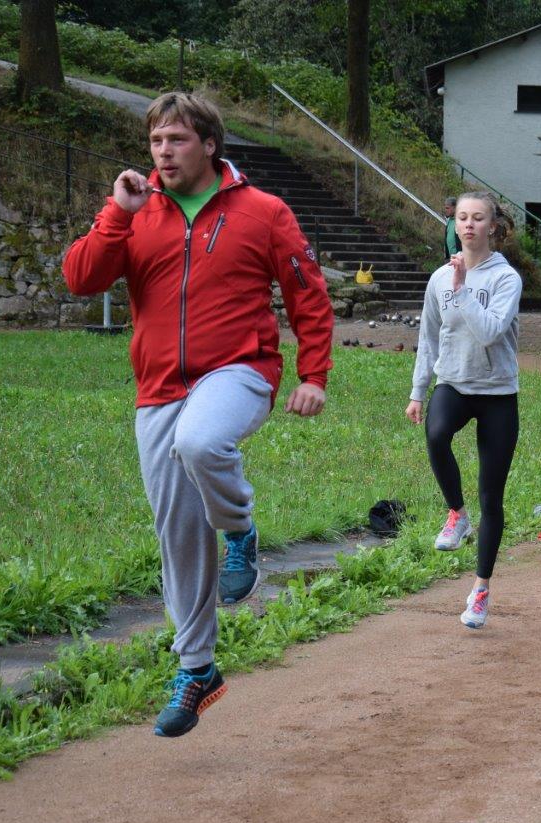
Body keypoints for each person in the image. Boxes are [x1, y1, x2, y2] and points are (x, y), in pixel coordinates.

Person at [63, 92, 334, 737]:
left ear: (209, 145)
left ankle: (239, 528)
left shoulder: (262, 212)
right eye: (156, 141)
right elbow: (80, 280)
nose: (163, 152)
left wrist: (313, 374)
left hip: (238, 369)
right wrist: (115, 215)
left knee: (204, 441)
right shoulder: (135, 213)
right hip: (157, 386)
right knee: (179, 533)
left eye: (177, 140)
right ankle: (197, 669)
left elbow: (308, 295)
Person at [408, 191, 522, 627]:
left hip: (497, 392)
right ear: (454, 225)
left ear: (493, 225)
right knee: (436, 435)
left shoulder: (505, 278)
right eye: (463, 218)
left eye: (479, 218)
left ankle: (480, 590)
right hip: (453, 382)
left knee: (492, 496)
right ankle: (456, 512)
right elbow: (429, 338)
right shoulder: (438, 278)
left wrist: (463, 291)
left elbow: (491, 331)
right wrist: (419, 391)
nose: (470, 225)